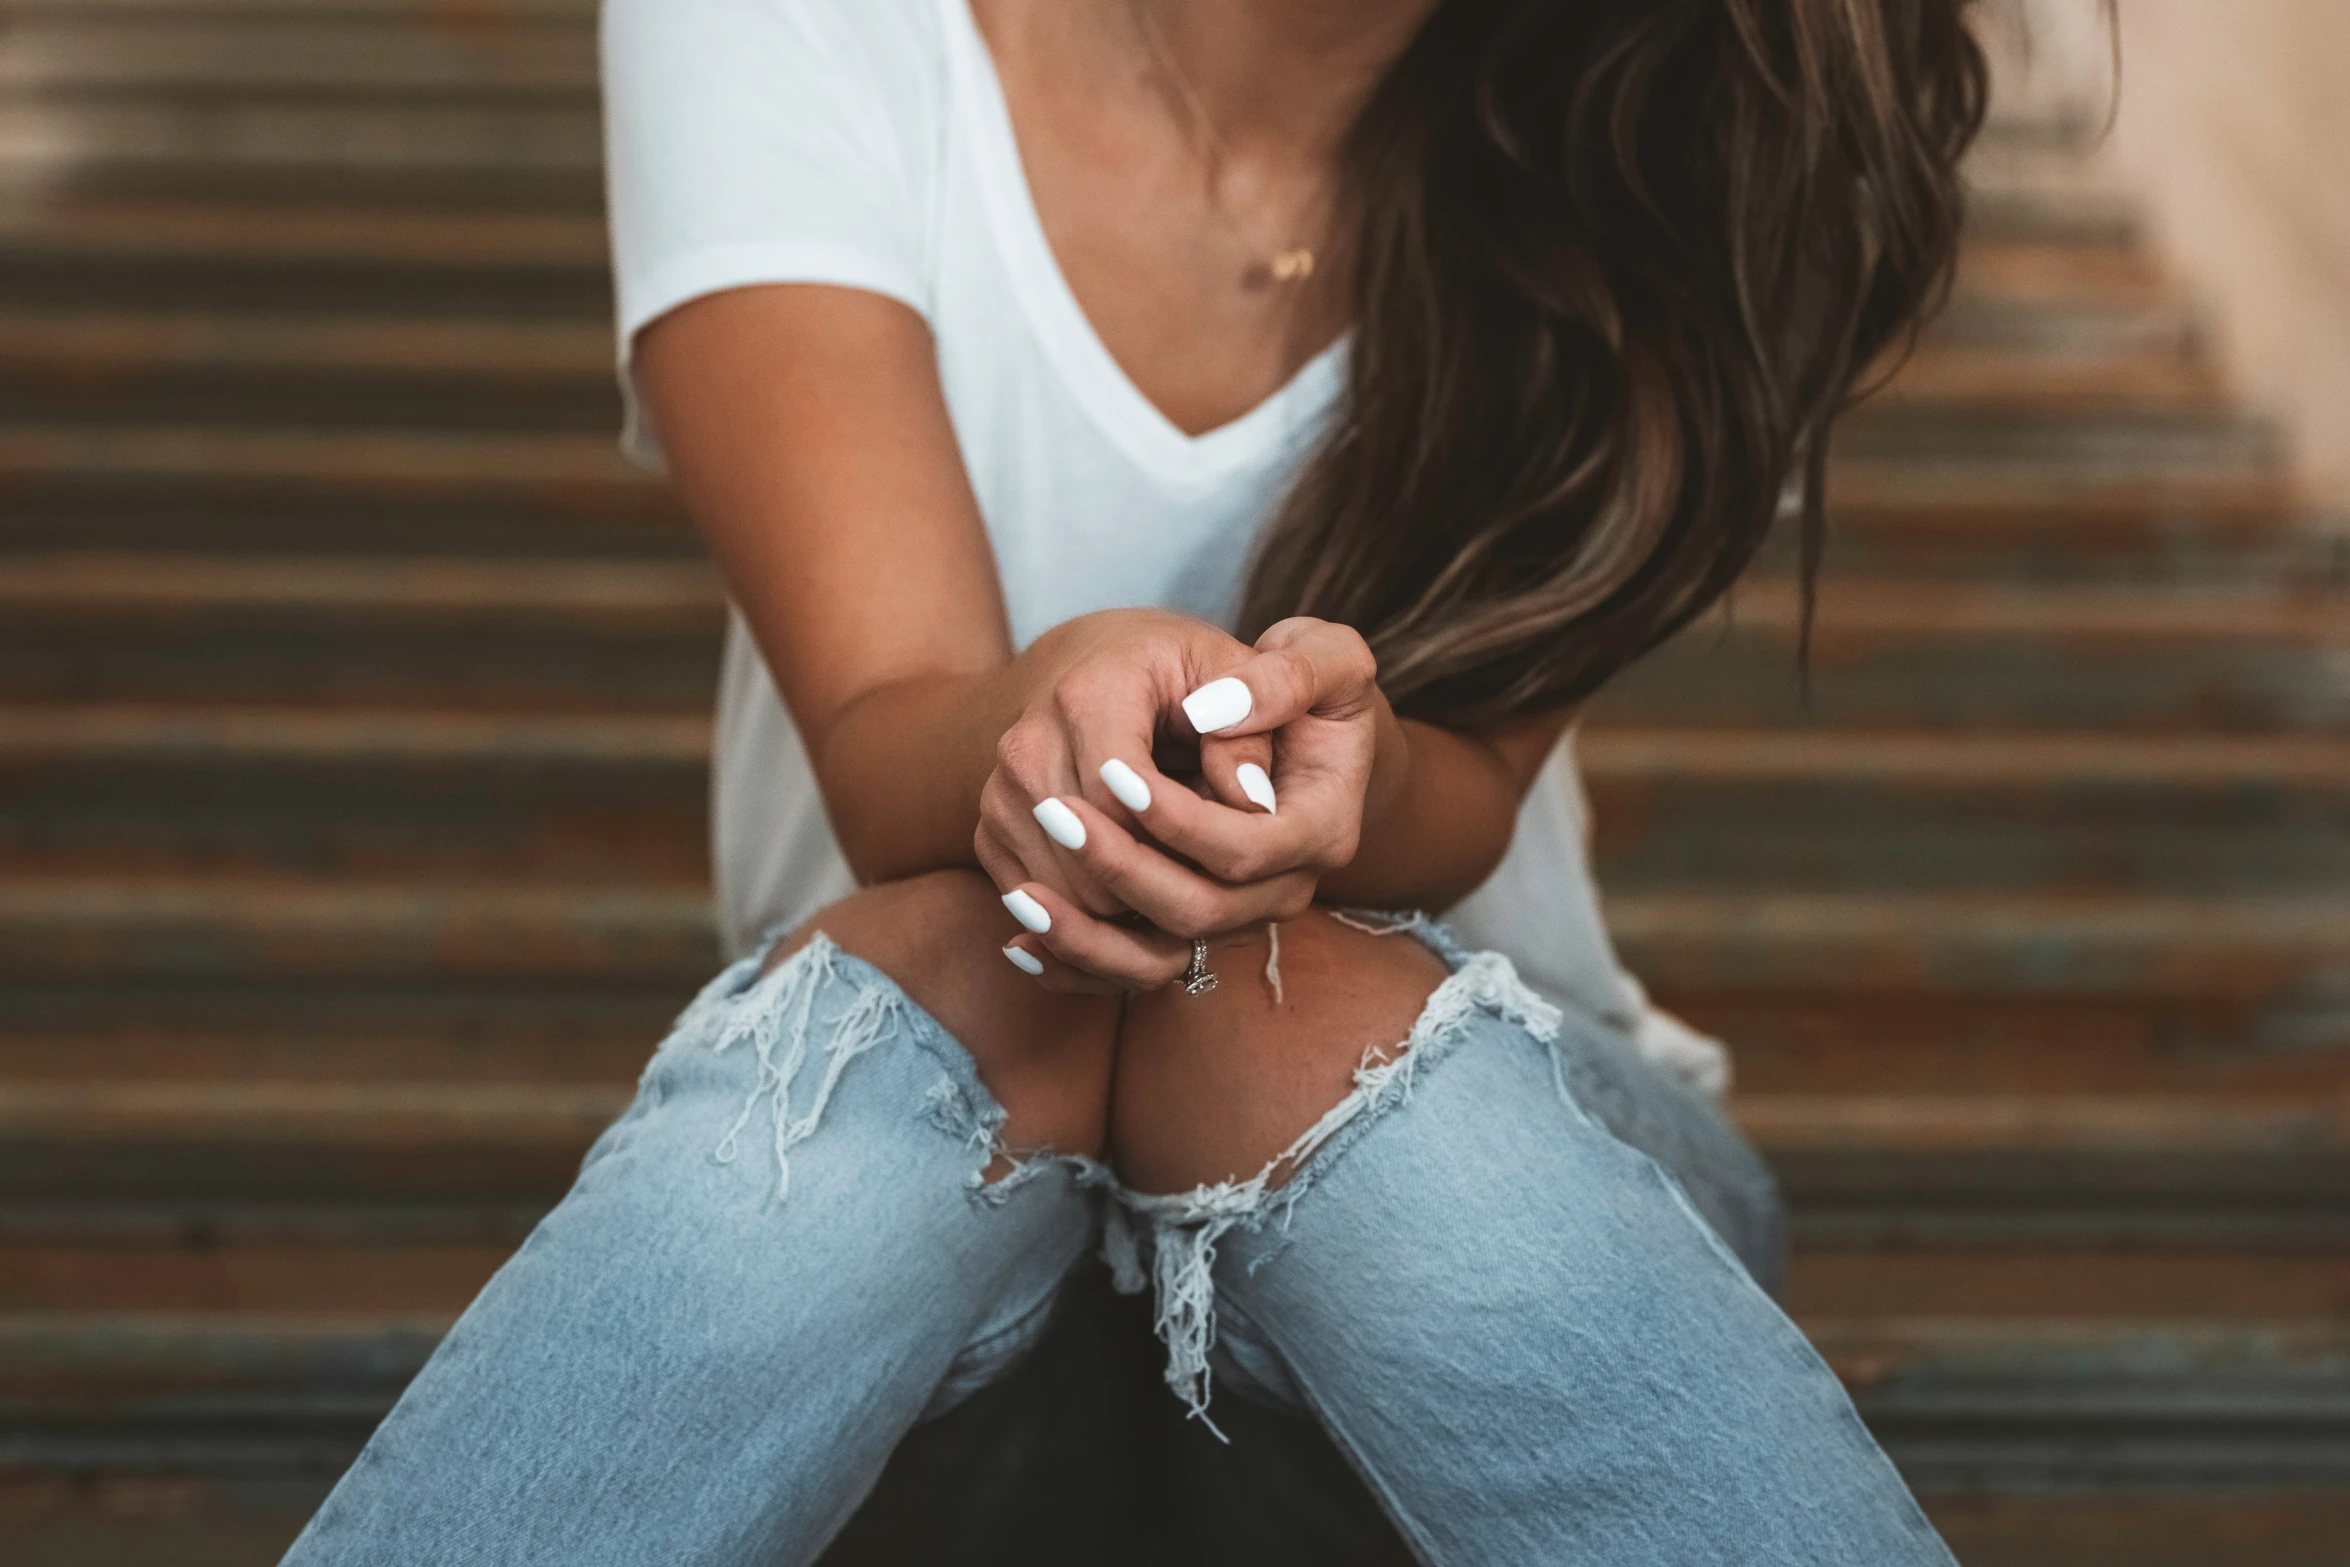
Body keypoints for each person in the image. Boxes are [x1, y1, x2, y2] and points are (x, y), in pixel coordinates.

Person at [282, 0, 1988, 1561]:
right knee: (967, 978)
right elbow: (890, 732)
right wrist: (1066, 690)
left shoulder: (1681, 121)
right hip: (925, 1187)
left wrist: (1359, 770)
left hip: (1484, 1151)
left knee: (1254, 1005)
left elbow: (1474, 783)